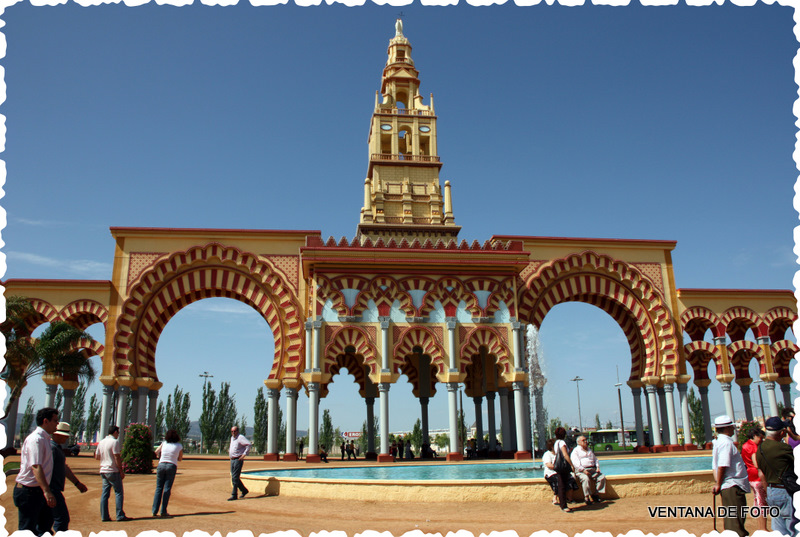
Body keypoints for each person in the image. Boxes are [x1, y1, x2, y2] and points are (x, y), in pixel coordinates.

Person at [14, 407, 59, 535]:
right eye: (55, 420)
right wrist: (47, 491)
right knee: (27, 530)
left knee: (44, 528)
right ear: (46, 421)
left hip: (37, 490)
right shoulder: (36, 439)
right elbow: (36, 466)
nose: (57, 424)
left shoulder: (44, 439)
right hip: (29, 491)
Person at [38, 422, 87, 534]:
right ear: (57, 435)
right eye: (64, 436)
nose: (66, 438)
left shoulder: (56, 448)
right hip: (52, 489)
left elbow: (64, 468)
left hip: (52, 489)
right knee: (61, 520)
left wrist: (76, 483)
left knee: (48, 521)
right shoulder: (53, 449)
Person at [757, 416, 797, 537]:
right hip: (785, 491)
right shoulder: (783, 448)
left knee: (778, 530)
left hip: (771, 490)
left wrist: (767, 491)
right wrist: (792, 435)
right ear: (781, 432)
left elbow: (761, 474)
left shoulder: (760, 449)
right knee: (793, 528)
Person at [711, 415, 750, 537]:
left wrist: (718, 482)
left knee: (733, 520)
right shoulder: (726, 443)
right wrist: (718, 484)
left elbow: (717, 466)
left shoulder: (720, 442)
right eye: (732, 427)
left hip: (730, 485)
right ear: (727, 428)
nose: (734, 429)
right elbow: (722, 465)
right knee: (735, 524)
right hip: (733, 485)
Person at [96, 425, 130, 522]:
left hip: (103, 470)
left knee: (105, 494)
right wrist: (121, 470)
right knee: (119, 492)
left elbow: (97, 456)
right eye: (118, 432)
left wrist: (105, 458)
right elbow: (117, 457)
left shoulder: (101, 442)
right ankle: (120, 515)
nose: (118, 435)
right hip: (112, 470)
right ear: (115, 432)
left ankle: (104, 516)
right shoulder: (114, 442)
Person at [741, 426, 767, 532]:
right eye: (760, 437)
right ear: (755, 436)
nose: (761, 440)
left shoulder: (745, 445)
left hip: (750, 475)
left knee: (758, 500)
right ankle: (763, 528)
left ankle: (762, 527)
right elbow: (756, 463)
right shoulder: (754, 447)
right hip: (757, 476)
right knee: (761, 502)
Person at [152, 429, 183, 517]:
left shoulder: (164, 443)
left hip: (161, 465)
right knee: (167, 489)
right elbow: (180, 458)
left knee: (159, 488)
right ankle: (163, 511)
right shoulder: (179, 446)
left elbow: (156, 452)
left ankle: (154, 510)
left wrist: (160, 456)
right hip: (171, 466)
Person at [570, 435, 606, 504]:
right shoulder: (576, 451)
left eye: (586, 440)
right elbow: (576, 464)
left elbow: (595, 459)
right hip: (581, 470)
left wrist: (597, 467)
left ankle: (596, 494)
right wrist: (584, 471)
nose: (586, 441)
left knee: (602, 477)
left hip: (592, 469)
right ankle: (586, 497)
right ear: (579, 442)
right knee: (585, 479)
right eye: (584, 440)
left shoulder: (589, 449)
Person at [542, 438, 577, 506]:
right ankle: (555, 498)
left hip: (561, 472)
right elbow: (549, 465)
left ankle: (569, 498)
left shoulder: (559, 454)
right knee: (559, 481)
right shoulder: (547, 454)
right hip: (551, 473)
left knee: (571, 479)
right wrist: (559, 468)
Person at [553, 427, 577, 513]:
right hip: (563, 466)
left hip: (558, 466)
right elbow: (565, 455)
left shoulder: (556, 443)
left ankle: (563, 504)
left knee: (561, 485)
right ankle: (563, 505)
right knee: (562, 485)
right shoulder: (562, 442)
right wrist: (571, 464)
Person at [228, 425, 251, 501]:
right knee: (234, 477)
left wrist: (244, 454)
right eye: (232, 431)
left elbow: (248, 444)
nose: (233, 433)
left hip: (238, 459)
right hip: (232, 460)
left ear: (237, 431)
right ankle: (244, 490)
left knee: (235, 477)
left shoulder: (240, 437)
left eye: (235, 431)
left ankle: (234, 494)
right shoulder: (232, 438)